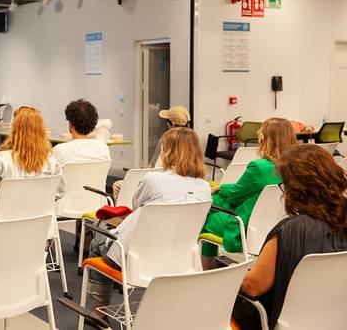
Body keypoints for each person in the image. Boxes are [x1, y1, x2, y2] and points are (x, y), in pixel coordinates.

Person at [86, 127, 211, 309]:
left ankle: (100, 309)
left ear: (168, 151)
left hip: (135, 258)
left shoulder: (153, 179)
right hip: (178, 259)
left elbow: (136, 206)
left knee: (98, 235)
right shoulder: (204, 187)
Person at [235, 144, 347, 329]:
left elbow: (254, 286)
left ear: (296, 188)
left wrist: (233, 273)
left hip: (284, 321)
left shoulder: (290, 231)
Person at [201, 117, 297, 261]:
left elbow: (234, 197)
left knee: (208, 216)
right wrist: (221, 187)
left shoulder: (259, 167)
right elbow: (254, 189)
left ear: (265, 138)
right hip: (280, 227)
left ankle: (208, 272)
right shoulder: (296, 166)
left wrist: (217, 190)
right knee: (216, 199)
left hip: (245, 229)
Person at [0, 106, 65, 214]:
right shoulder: (51, 162)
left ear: (15, 130)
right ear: (41, 132)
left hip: (5, 224)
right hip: (40, 225)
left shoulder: (1, 160)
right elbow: (60, 192)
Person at [111, 105, 191, 201]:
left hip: (160, 184)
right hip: (183, 186)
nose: (166, 124)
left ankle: (123, 213)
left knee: (118, 185)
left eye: (167, 122)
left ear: (172, 124)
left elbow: (152, 168)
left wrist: (136, 174)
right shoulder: (192, 141)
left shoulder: (165, 140)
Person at [52, 99, 111, 167]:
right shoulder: (103, 147)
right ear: (92, 124)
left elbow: (49, 175)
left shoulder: (60, 150)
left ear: (71, 124)